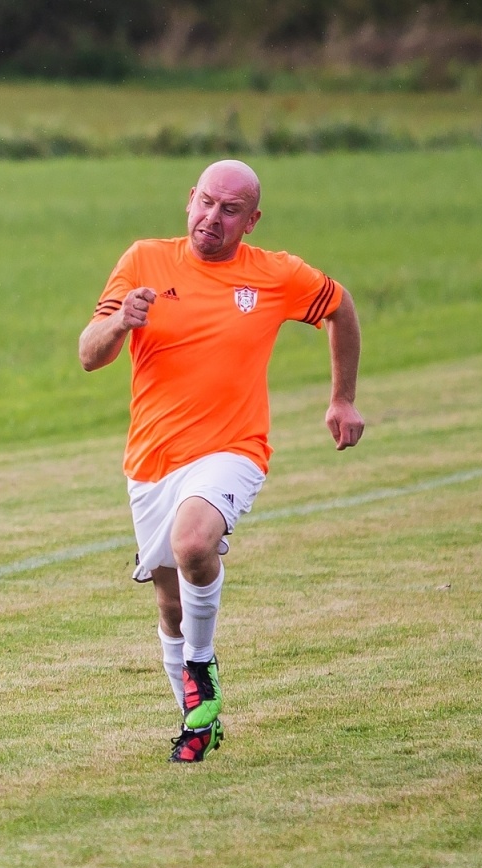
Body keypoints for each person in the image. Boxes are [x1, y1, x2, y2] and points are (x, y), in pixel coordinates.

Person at [77, 160, 364, 763]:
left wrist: (341, 398)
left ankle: (202, 673)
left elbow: (340, 308)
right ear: (189, 200)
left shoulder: (275, 274)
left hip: (233, 448)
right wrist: (121, 322)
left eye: (230, 210)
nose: (213, 217)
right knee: (169, 600)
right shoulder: (144, 260)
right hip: (152, 457)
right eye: (206, 202)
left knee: (193, 545)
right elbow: (89, 353)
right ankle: (197, 719)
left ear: (251, 220)